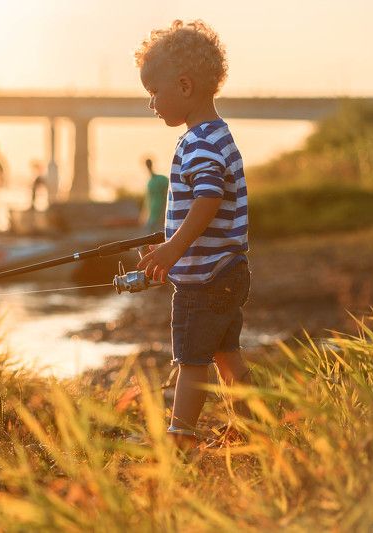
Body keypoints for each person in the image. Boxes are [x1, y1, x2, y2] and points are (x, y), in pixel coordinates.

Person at [133, 20, 252, 448]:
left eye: (154, 92)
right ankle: (252, 426)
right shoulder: (216, 135)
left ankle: (180, 439)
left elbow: (208, 199)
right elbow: (205, 204)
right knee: (226, 354)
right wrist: (168, 243)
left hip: (204, 279)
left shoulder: (199, 141)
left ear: (184, 85)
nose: (151, 103)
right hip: (229, 270)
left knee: (191, 359)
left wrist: (173, 248)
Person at [141, 158, 169, 233]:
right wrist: (144, 214)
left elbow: (168, 195)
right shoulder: (150, 182)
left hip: (161, 213)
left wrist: (164, 212)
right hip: (152, 215)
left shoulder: (162, 179)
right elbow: (148, 199)